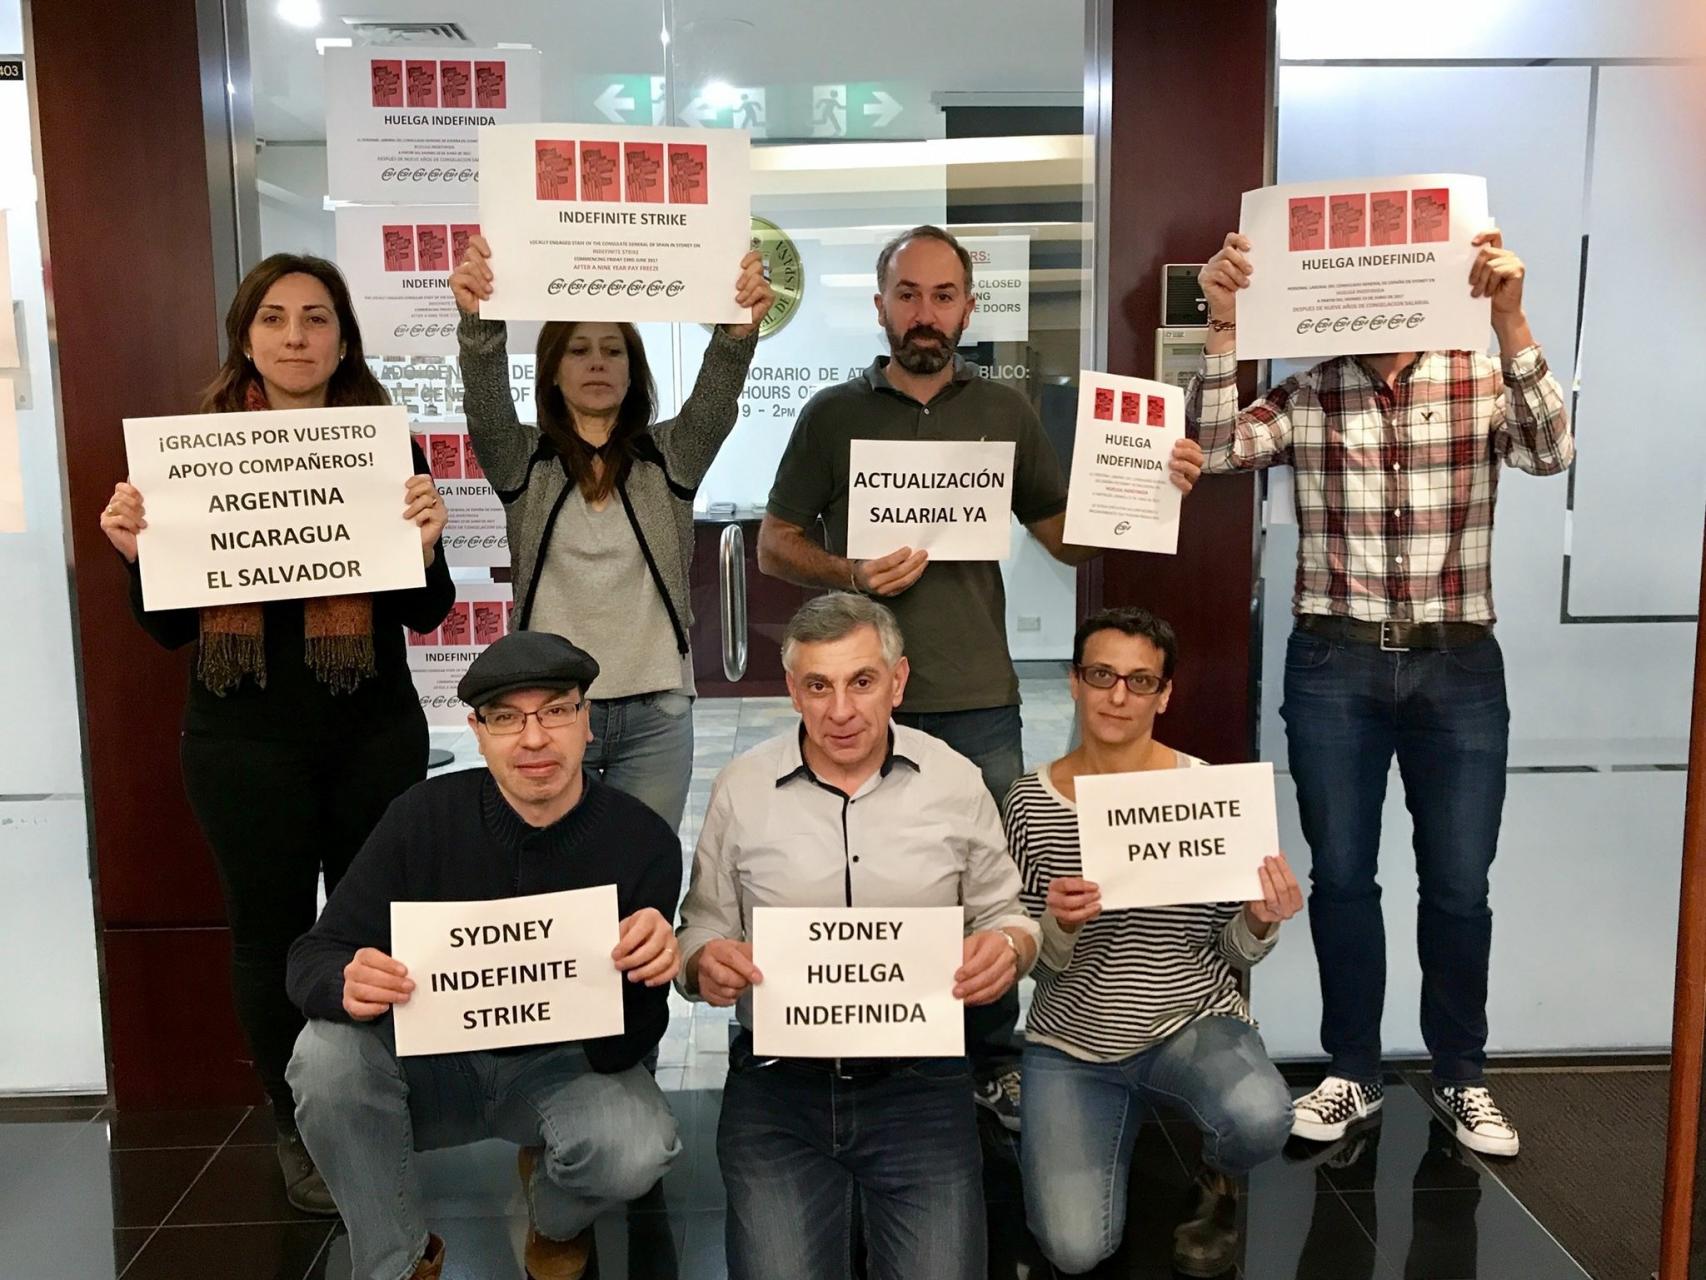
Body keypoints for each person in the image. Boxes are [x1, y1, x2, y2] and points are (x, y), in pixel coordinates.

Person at [756, 223, 1205, 1127]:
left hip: (978, 694)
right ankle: (882, 1039)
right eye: (909, 295)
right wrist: (850, 572)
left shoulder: (1004, 412)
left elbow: (1062, 534)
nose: (926, 313)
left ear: (968, 307)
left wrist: (1151, 489)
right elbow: (774, 542)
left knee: (992, 879)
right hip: (865, 697)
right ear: (881, 306)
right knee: (869, 866)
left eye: (943, 295)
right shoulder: (831, 415)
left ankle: (994, 1055)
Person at [1190, 227, 1573, 1156]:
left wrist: (1511, 316)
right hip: (1335, 665)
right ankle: (1351, 1071)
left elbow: (1550, 449)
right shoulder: (1312, 386)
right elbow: (1209, 449)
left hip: (1458, 664)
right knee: (1343, 879)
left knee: (1457, 884)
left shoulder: (1479, 374)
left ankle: (1461, 1078)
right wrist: (1223, 324)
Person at [98, 253, 454, 1214]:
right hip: (241, 743)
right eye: (276, 319)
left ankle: (376, 1108)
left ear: (344, 338)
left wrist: (426, 541)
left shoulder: (386, 447)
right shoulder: (195, 454)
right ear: (246, 336)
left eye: (317, 318)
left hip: (372, 731)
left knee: (374, 928)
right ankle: (295, 1126)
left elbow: (426, 612)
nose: (297, 336)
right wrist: (139, 555)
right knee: (270, 936)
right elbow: (174, 627)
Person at [285, 630, 684, 1280]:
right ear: (477, 731)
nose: (533, 739)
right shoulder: (424, 816)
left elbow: (623, 1049)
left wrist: (648, 976)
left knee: (637, 1149)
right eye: (507, 718)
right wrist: (343, 979)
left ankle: (553, 1219)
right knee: (324, 1059)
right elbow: (312, 954)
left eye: (555, 711)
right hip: (431, 1068)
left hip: (567, 1068)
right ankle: (399, 1262)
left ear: (587, 721)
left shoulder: (641, 842)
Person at [675, 593, 1041, 1280]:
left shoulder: (956, 783)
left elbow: (1008, 915)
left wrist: (1010, 950)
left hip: (920, 1086)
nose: (840, 711)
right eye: (818, 686)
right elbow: (702, 927)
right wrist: (703, 965)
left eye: (862, 682)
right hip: (778, 1089)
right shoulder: (742, 788)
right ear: (792, 690)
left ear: (898, 681)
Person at [1009, 606, 1299, 1276]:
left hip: (1190, 1020)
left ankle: (1219, 1178)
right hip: (1071, 1041)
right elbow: (1029, 960)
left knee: (1259, 1119)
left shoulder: (1208, 793)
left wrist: (1259, 920)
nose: (1118, 695)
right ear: (1075, 682)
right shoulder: (1029, 803)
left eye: (1140, 681)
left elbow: (1229, 952)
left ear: (1164, 695)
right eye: (1101, 674)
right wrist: (1058, 925)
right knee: (1075, 1249)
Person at [449, 235, 774, 834]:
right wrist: (477, 323)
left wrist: (738, 331)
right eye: (577, 350)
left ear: (634, 370)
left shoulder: (670, 455)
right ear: (551, 371)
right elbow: (486, 404)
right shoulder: (523, 460)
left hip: (655, 710)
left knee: (641, 876)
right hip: (547, 710)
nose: (597, 363)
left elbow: (716, 400)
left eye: (612, 350)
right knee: (550, 879)